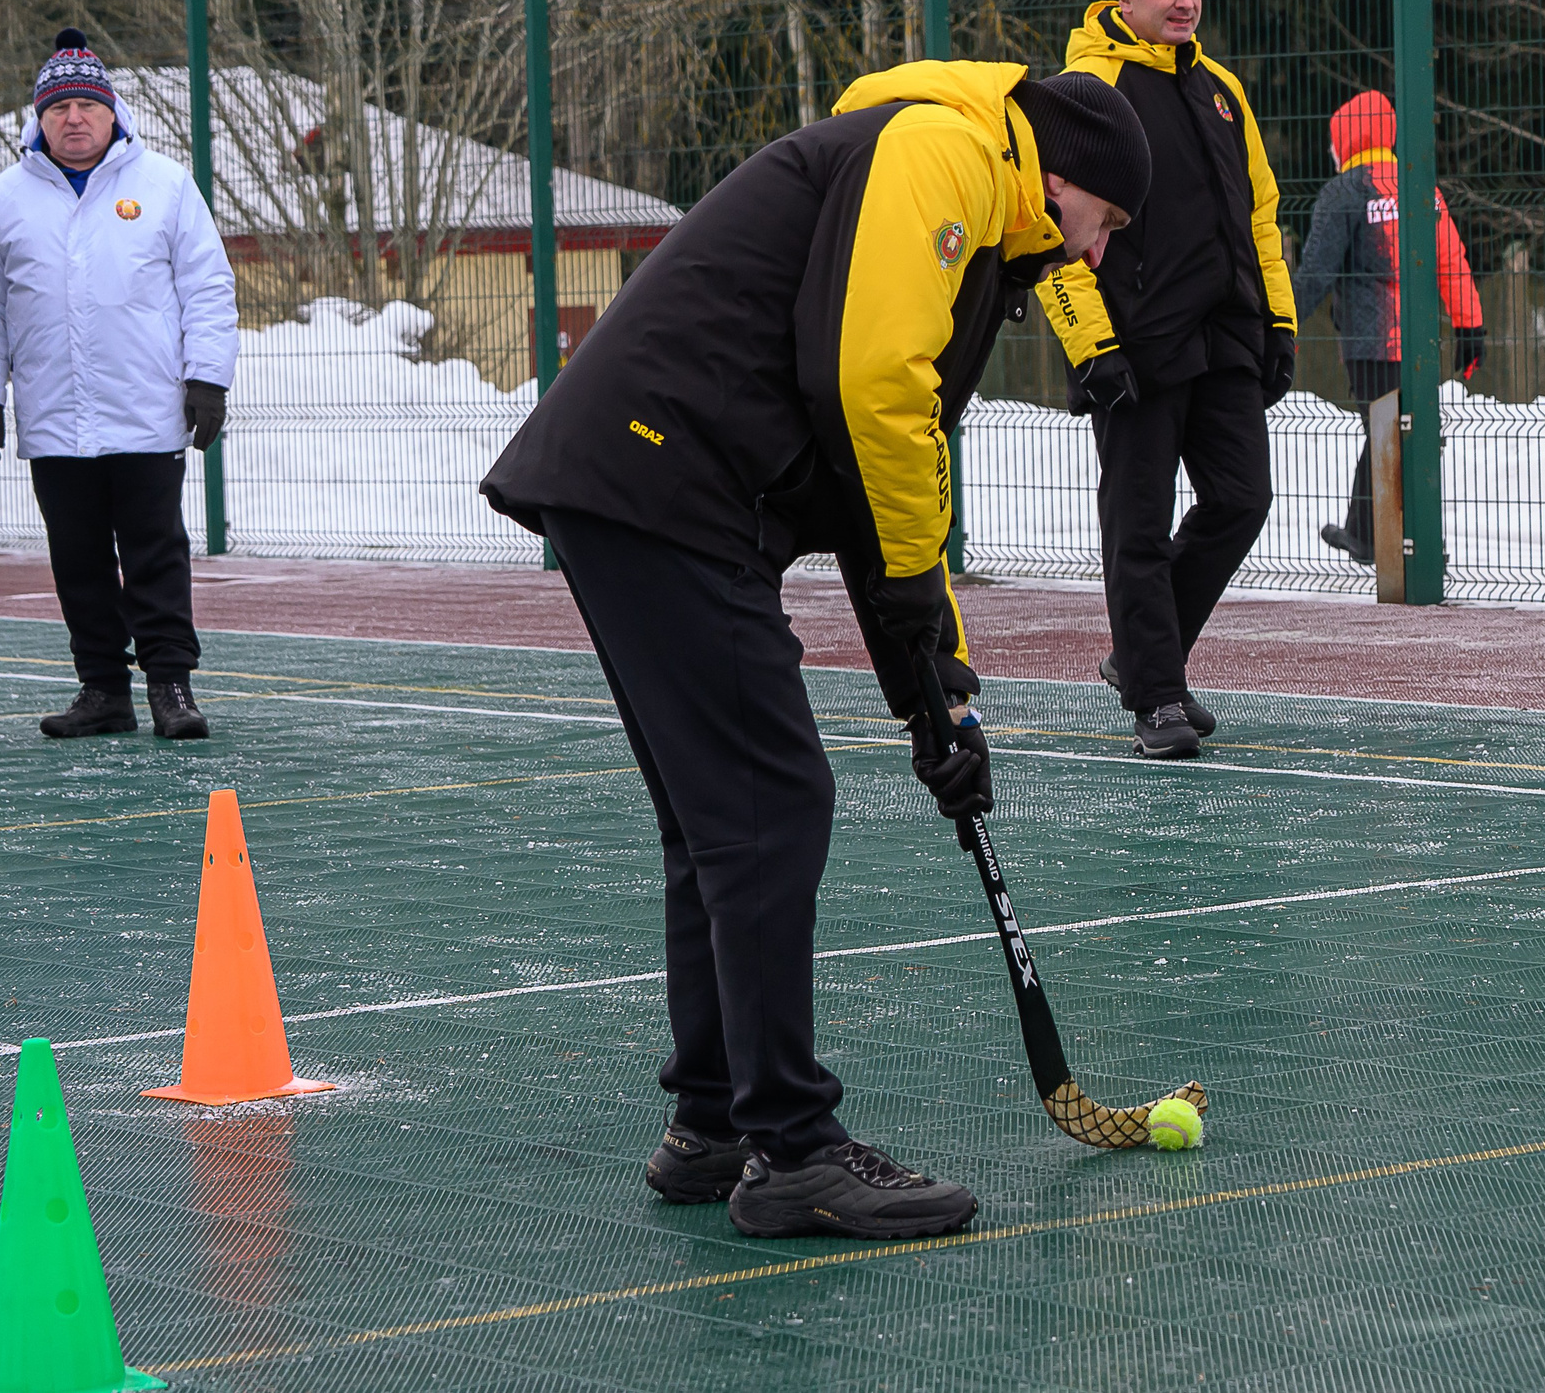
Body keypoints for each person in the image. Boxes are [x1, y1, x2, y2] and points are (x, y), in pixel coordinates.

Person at [480, 60, 1148, 1242]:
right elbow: (869, 392)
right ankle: (790, 1147)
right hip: (665, 480)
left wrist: (931, 688)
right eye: (1104, 227)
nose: (1095, 260)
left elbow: (879, 475)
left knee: (716, 820)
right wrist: (916, 650)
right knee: (767, 807)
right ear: (1064, 182)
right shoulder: (942, 155)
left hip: (640, 481)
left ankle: (713, 1124)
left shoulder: (969, 209)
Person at [1036, 0, 1296, 760]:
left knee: (1242, 500)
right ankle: (1156, 694)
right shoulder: (1087, 88)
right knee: (1138, 523)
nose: (1186, 2)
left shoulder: (1220, 89)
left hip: (1225, 335)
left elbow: (1260, 210)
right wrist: (1091, 347)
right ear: (1125, 2)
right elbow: (1050, 231)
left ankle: (1144, 656)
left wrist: (1277, 321)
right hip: (1135, 347)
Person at [0, 28, 234, 739]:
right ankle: (103, 690)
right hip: (54, 418)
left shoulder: (166, 185)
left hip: (145, 413)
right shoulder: (5, 198)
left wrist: (207, 378)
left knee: (155, 553)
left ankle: (171, 686)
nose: (73, 118)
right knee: (77, 559)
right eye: (59, 107)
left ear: (113, 112)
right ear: (38, 117)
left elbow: (208, 287)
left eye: (87, 103)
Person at [1294, 90, 1485, 565]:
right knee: (1404, 433)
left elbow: (1315, 272)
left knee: (1386, 433)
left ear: (1346, 139)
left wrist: (1283, 326)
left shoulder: (1343, 192)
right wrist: (1470, 326)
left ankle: (1388, 542)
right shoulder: (1420, 186)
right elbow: (1451, 263)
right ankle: (1376, 534)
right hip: (1417, 341)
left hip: (1368, 340)